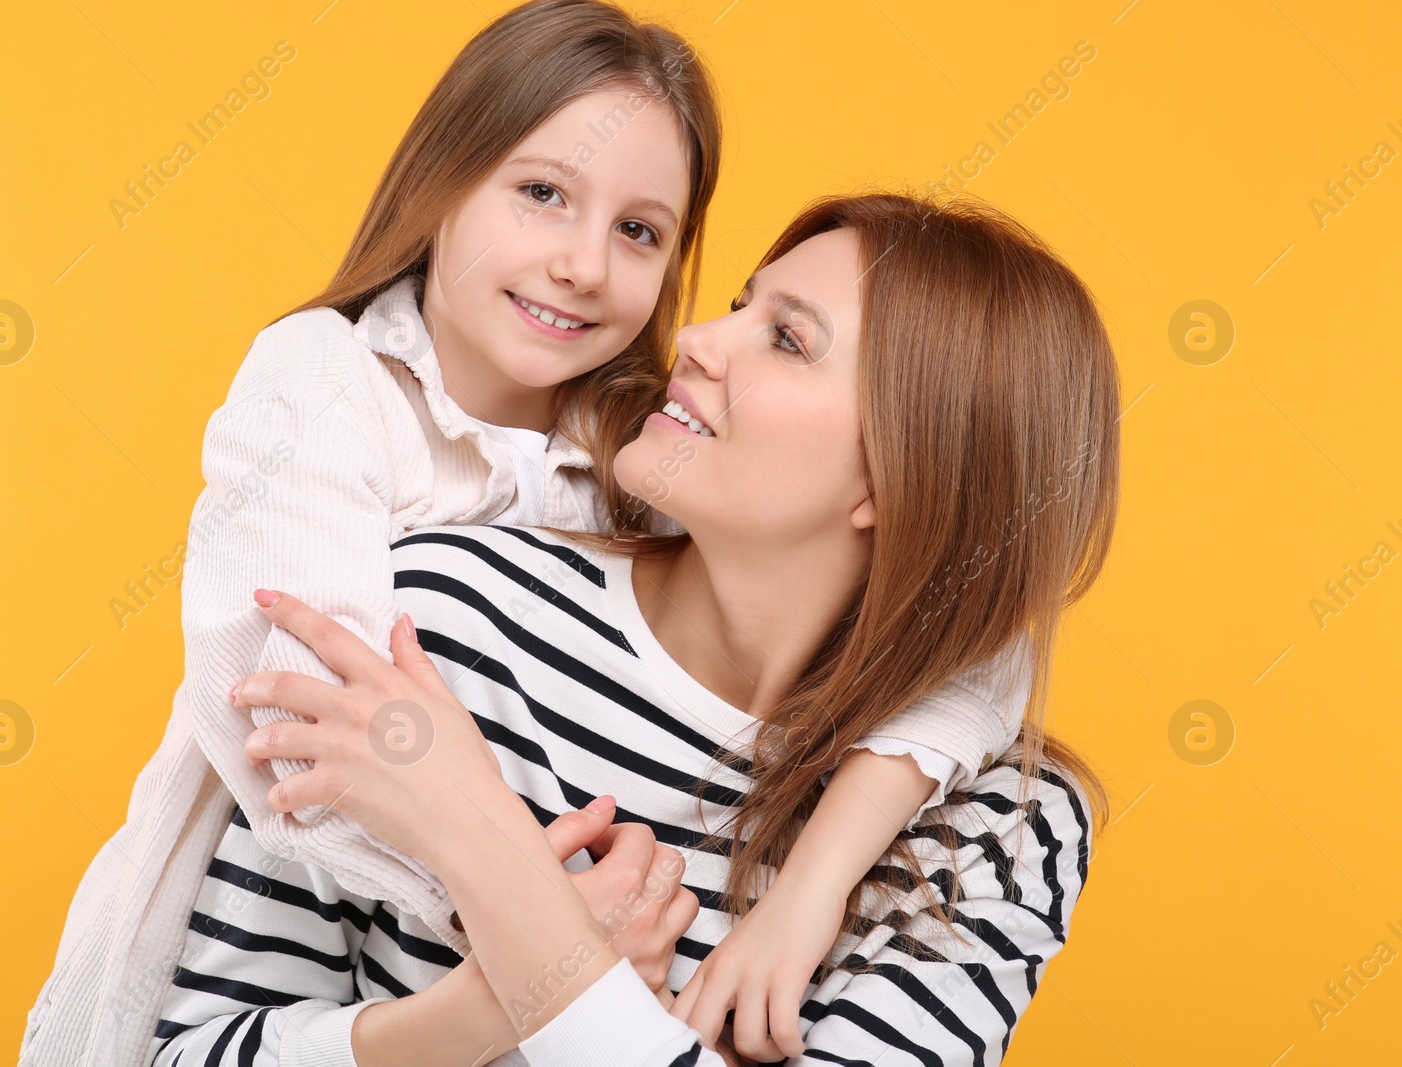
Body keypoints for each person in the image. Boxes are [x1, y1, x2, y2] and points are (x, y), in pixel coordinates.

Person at [146, 190, 1120, 1065]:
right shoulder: (444, 625)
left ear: (902, 475)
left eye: (787, 339)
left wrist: (482, 836)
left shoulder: (997, 828)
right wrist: (478, 1015)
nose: (696, 335)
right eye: (742, 303)